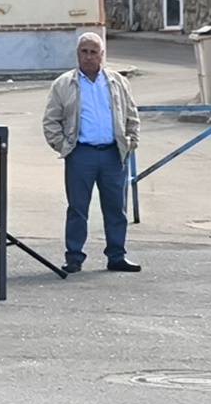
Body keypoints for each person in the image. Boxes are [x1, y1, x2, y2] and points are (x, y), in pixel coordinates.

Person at [42, 32, 142, 273]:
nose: (88, 57)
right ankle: (74, 257)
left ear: (102, 55)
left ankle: (117, 255)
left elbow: (131, 114)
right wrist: (64, 146)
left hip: (113, 154)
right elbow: (50, 121)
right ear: (78, 54)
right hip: (81, 154)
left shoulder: (117, 82)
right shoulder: (64, 84)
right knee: (77, 208)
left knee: (116, 207)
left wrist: (131, 141)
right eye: (84, 51)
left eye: (93, 52)